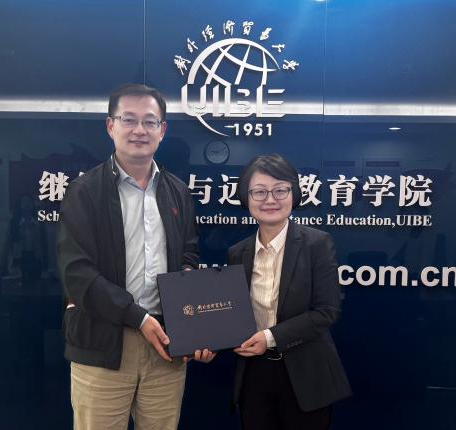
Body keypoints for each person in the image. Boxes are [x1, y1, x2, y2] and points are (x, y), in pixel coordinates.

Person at [57, 83, 209, 430]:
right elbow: (76, 272)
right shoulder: (84, 191)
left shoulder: (178, 192)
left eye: (149, 121)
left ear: (162, 130)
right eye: (129, 119)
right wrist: (137, 317)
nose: (139, 130)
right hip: (102, 344)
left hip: (166, 346)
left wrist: (193, 320)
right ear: (110, 126)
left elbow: (188, 253)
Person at [228, 154, 352, 430]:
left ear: (293, 194)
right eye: (259, 192)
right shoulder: (237, 253)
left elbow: (326, 311)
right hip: (254, 373)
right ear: (246, 197)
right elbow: (231, 314)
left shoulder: (317, 244)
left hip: (306, 374)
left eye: (280, 190)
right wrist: (207, 342)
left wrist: (269, 337)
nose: (270, 199)